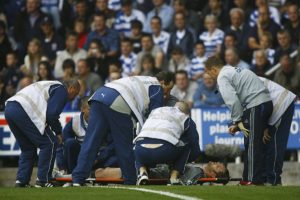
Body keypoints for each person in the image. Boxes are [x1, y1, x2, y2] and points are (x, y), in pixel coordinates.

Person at [72, 71, 174, 185]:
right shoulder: (157, 87)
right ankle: (130, 180)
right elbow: (155, 115)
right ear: (163, 82)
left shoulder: (142, 79)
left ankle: (78, 178)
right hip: (118, 100)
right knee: (124, 145)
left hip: (98, 96)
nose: (167, 94)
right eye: (169, 89)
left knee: (90, 142)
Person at [204, 56, 273, 185]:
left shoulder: (222, 76)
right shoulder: (233, 70)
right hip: (263, 104)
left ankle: (254, 180)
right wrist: (238, 122)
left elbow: (232, 100)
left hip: (255, 105)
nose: (209, 76)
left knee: (252, 145)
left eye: (208, 73)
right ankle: (247, 178)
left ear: (213, 69)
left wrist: (236, 121)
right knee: (251, 144)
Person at [4, 79, 80, 187]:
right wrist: (58, 132)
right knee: (50, 143)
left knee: (28, 148)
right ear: (71, 88)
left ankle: (21, 181)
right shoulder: (62, 90)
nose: (73, 98)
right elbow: (51, 115)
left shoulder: (50, 84)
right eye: (75, 94)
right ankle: (43, 180)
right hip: (24, 109)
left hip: (10, 108)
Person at [134, 102, 201, 185]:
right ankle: (173, 177)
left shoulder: (155, 111)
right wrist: (187, 160)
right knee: (187, 145)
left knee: (138, 145)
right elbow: (194, 144)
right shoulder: (185, 117)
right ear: (187, 113)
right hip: (164, 150)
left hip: (140, 150)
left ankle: (142, 172)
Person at [259, 77, 296, 186]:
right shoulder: (245, 80)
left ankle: (273, 179)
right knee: (266, 142)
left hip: (281, 105)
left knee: (275, 143)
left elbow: (264, 104)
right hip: (273, 106)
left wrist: (264, 126)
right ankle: (266, 178)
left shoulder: (244, 84)